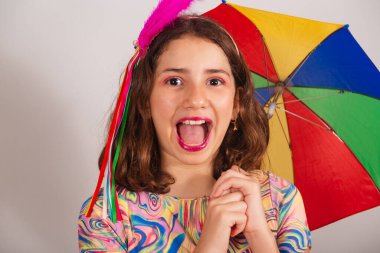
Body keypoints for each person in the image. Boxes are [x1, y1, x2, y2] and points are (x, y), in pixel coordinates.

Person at [78, 4, 311, 253]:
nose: (196, 98)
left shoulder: (280, 199)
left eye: (214, 81)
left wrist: (258, 234)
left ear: (236, 104)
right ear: (145, 100)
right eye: (174, 81)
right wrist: (211, 239)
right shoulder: (106, 215)